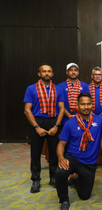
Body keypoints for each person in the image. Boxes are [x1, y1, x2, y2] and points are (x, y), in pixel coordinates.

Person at [55, 92, 102, 210]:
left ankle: (75, 180)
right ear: (77, 106)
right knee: (60, 172)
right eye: (83, 104)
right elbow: (61, 144)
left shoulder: (100, 121)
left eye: (89, 104)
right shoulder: (70, 123)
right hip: (73, 158)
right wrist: (61, 158)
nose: (86, 107)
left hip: (89, 163)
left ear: (92, 105)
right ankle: (64, 202)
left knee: (85, 196)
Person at [24, 65, 65, 193]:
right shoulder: (31, 89)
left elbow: (62, 109)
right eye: (44, 71)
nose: (47, 73)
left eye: (49, 71)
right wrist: (36, 127)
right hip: (37, 121)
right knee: (35, 153)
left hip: (53, 121)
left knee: (54, 152)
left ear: (52, 73)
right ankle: (36, 179)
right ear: (39, 73)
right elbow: (27, 110)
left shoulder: (58, 89)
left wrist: (56, 126)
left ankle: (53, 177)